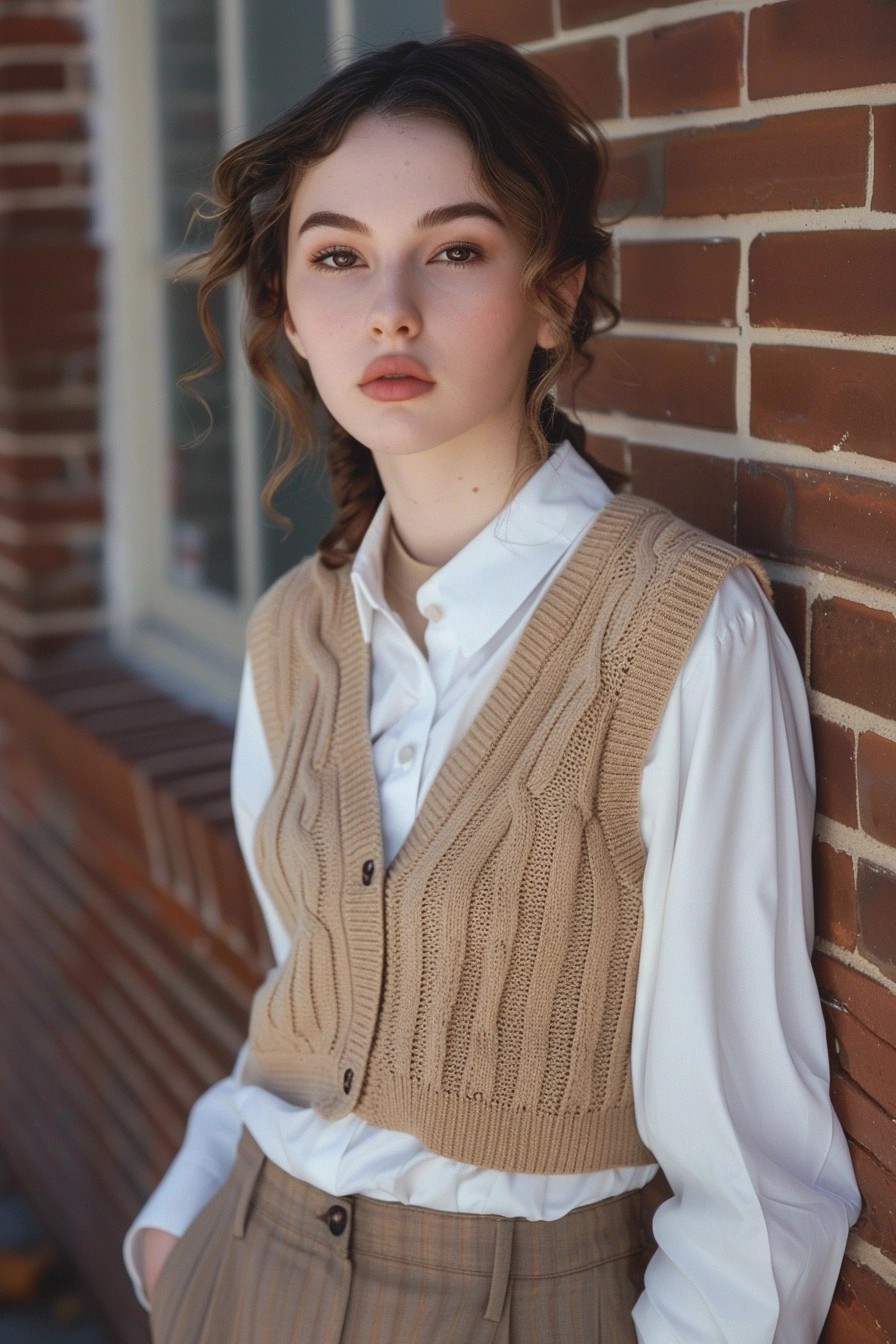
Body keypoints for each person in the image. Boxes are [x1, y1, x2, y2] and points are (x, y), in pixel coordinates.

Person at [125, 35, 860, 1344]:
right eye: (339, 256)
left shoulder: (681, 627)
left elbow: (756, 1176)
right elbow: (306, 992)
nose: (390, 307)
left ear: (554, 297)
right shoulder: (294, 631)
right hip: (238, 1271)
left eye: (454, 250)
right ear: (292, 312)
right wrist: (173, 1239)